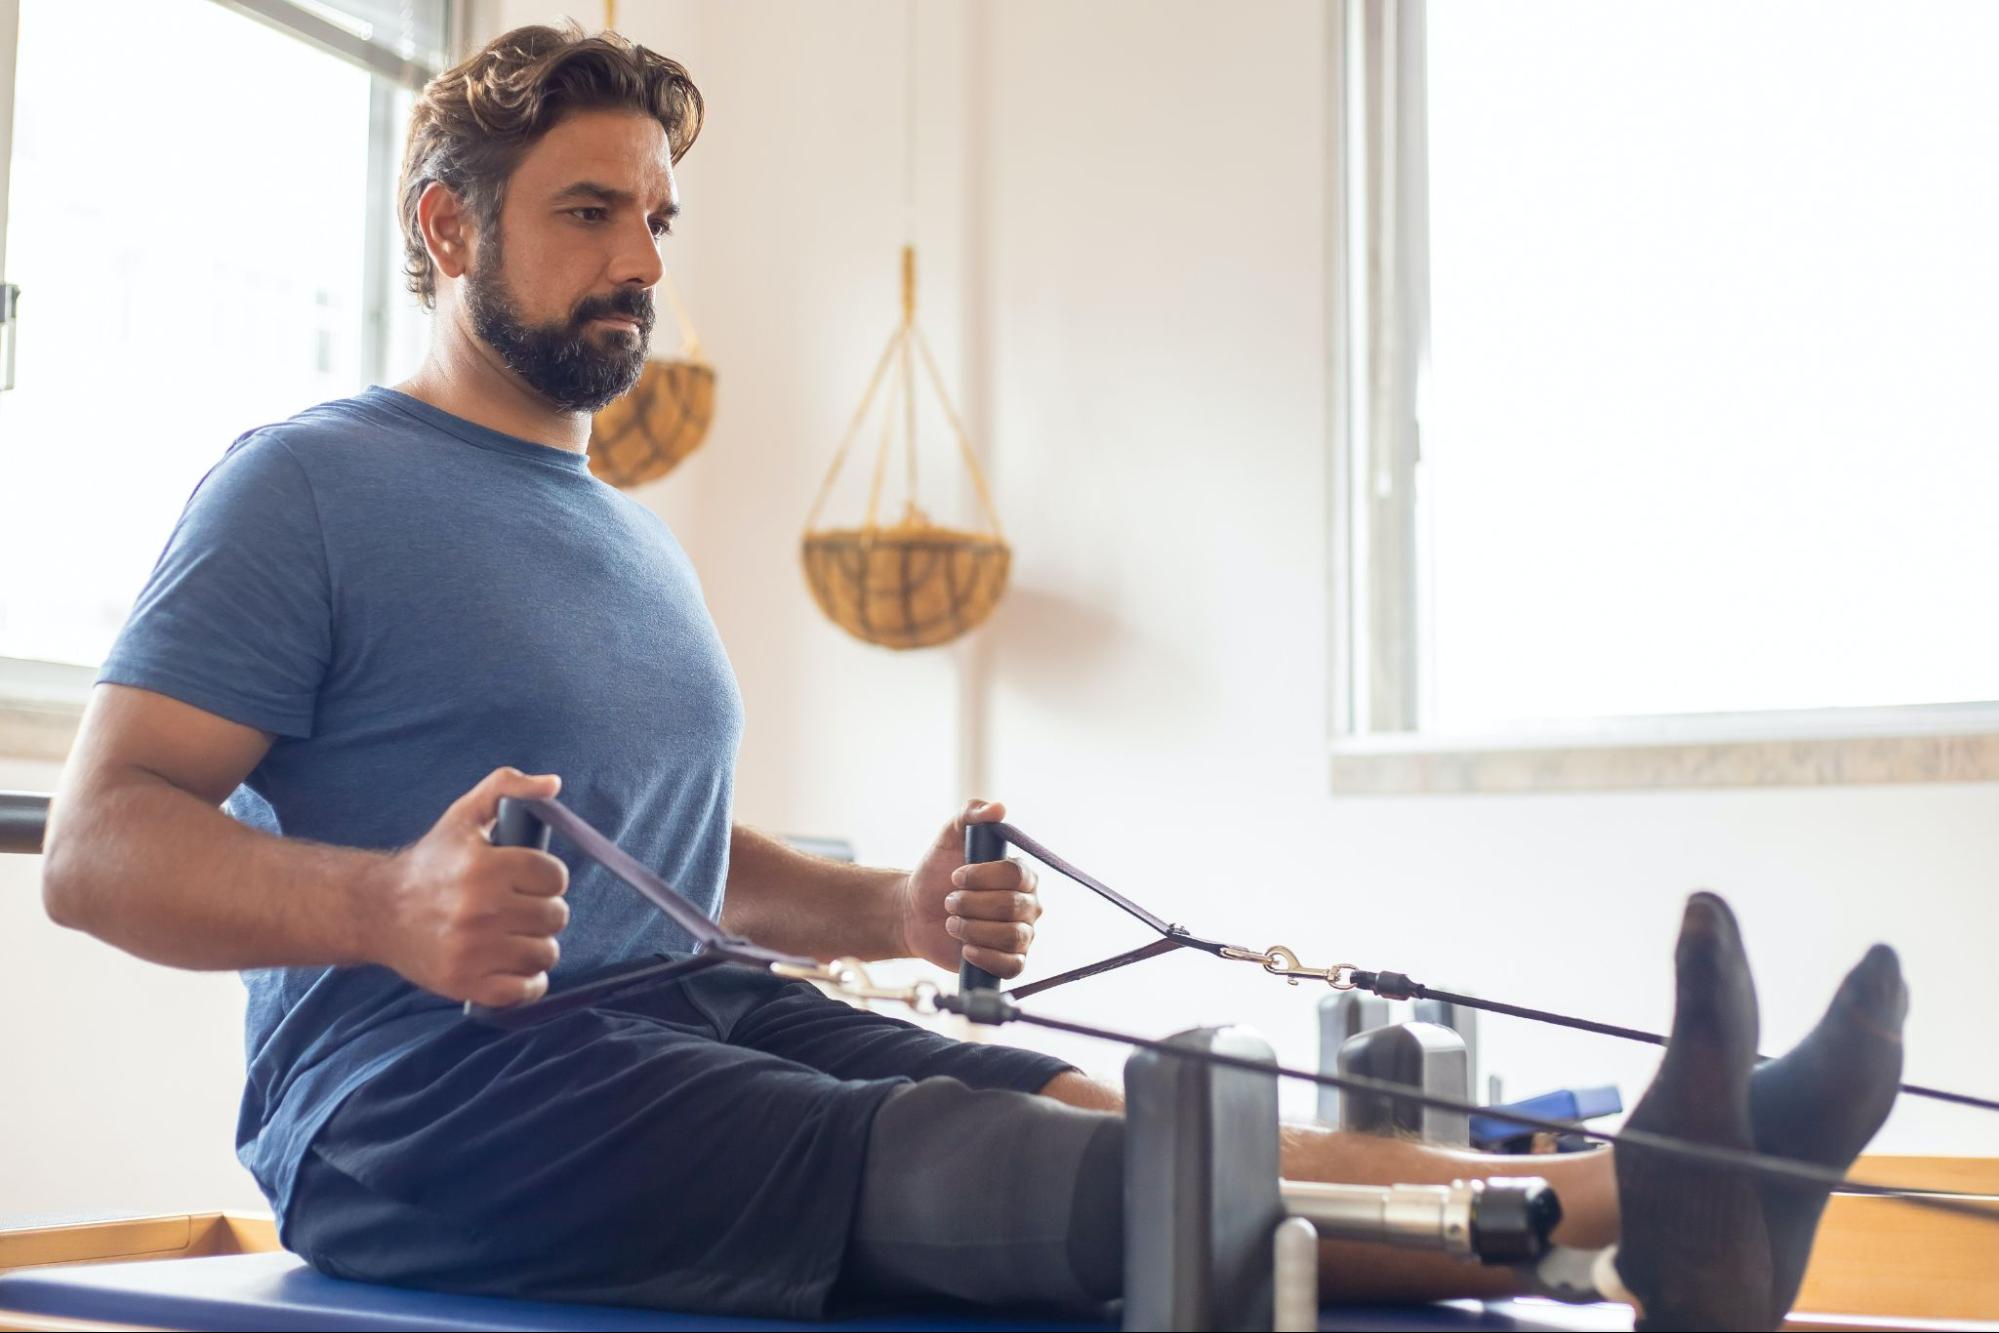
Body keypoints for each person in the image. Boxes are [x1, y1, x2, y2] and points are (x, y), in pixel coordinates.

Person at [40, 24, 1905, 1331]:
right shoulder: (309, 484)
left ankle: (1651, 1193)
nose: (637, 264)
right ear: (448, 228)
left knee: (1121, 1108)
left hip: (686, 1022)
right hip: (419, 1105)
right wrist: (382, 901)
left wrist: (892, 905)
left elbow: (659, 859)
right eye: (587, 212)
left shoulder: (621, 526)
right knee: (954, 1154)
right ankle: (1656, 1205)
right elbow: (99, 841)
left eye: (656, 223)